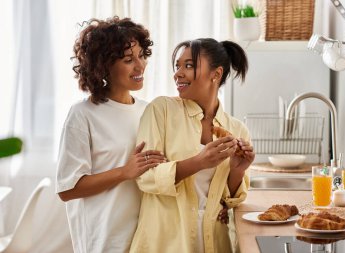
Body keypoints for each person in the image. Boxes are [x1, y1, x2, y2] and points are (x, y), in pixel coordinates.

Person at [130, 38, 255, 253]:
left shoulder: (237, 129)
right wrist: (199, 162)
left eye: (188, 65)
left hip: (214, 241)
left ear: (216, 74)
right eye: (177, 66)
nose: (178, 73)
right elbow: (146, 177)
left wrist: (238, 170)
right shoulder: (162, 110)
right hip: (165, 242)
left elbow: (229, 201)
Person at [55, 17, 166, 253]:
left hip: (146, 237)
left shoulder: (149, 111)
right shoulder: (83, 115)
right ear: (103, 66)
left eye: (141, 55)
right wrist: (124, 172)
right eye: (128, 60)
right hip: (104, 240)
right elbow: (67, 189)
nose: (140, 65)